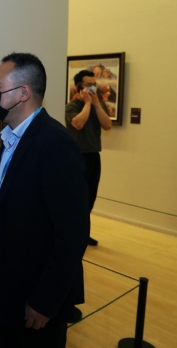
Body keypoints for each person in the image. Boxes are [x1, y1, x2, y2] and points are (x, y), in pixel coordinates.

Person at [0, 52, 89, 347]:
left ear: (23, 93)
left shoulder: (55, 144)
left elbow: (72, 234)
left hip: (34, 297)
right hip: (8, 290)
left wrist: (45, 301)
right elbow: (21, 200)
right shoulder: (13, 136)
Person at [65, 70, 112, 246]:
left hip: (93, 155)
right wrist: (86, 104)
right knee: (76, 198)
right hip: (77, 157)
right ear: (79, 87)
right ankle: (71, 234)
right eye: (89, 85)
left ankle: (83, 233)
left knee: (90, 197)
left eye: (95, 84)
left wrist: (96, 104)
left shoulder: (98, 104)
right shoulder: (72, 106)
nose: (93, 88)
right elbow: (78, 123)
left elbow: (107, 125)